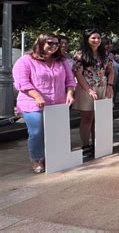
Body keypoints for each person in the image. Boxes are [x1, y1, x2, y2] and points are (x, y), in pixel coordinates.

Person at [12, 33, 76, 173]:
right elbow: (22, 83)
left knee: (56, 131)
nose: (53, 47)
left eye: (56, 44)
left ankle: (52, 156)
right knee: (37, 131)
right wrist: (37, 96)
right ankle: (37, 158)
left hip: (57, 103)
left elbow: (70, 80)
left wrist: (70, 93)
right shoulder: (25, 61)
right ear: (40, 43)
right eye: (50, 43)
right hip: (32, 103)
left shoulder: (61, 61)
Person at [73, 29, 114, 157]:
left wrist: (110, 86)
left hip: (102, 88)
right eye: (93, 38)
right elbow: (78, 74)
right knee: (87, 118)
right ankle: (85, 145)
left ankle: (98, 143)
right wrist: (89, 89)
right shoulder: (80, 55)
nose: (96, 40)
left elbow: (111, 71)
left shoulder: (105, 55)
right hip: (86, 89)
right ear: (87, 39)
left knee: (99, 118)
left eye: (98, 38)